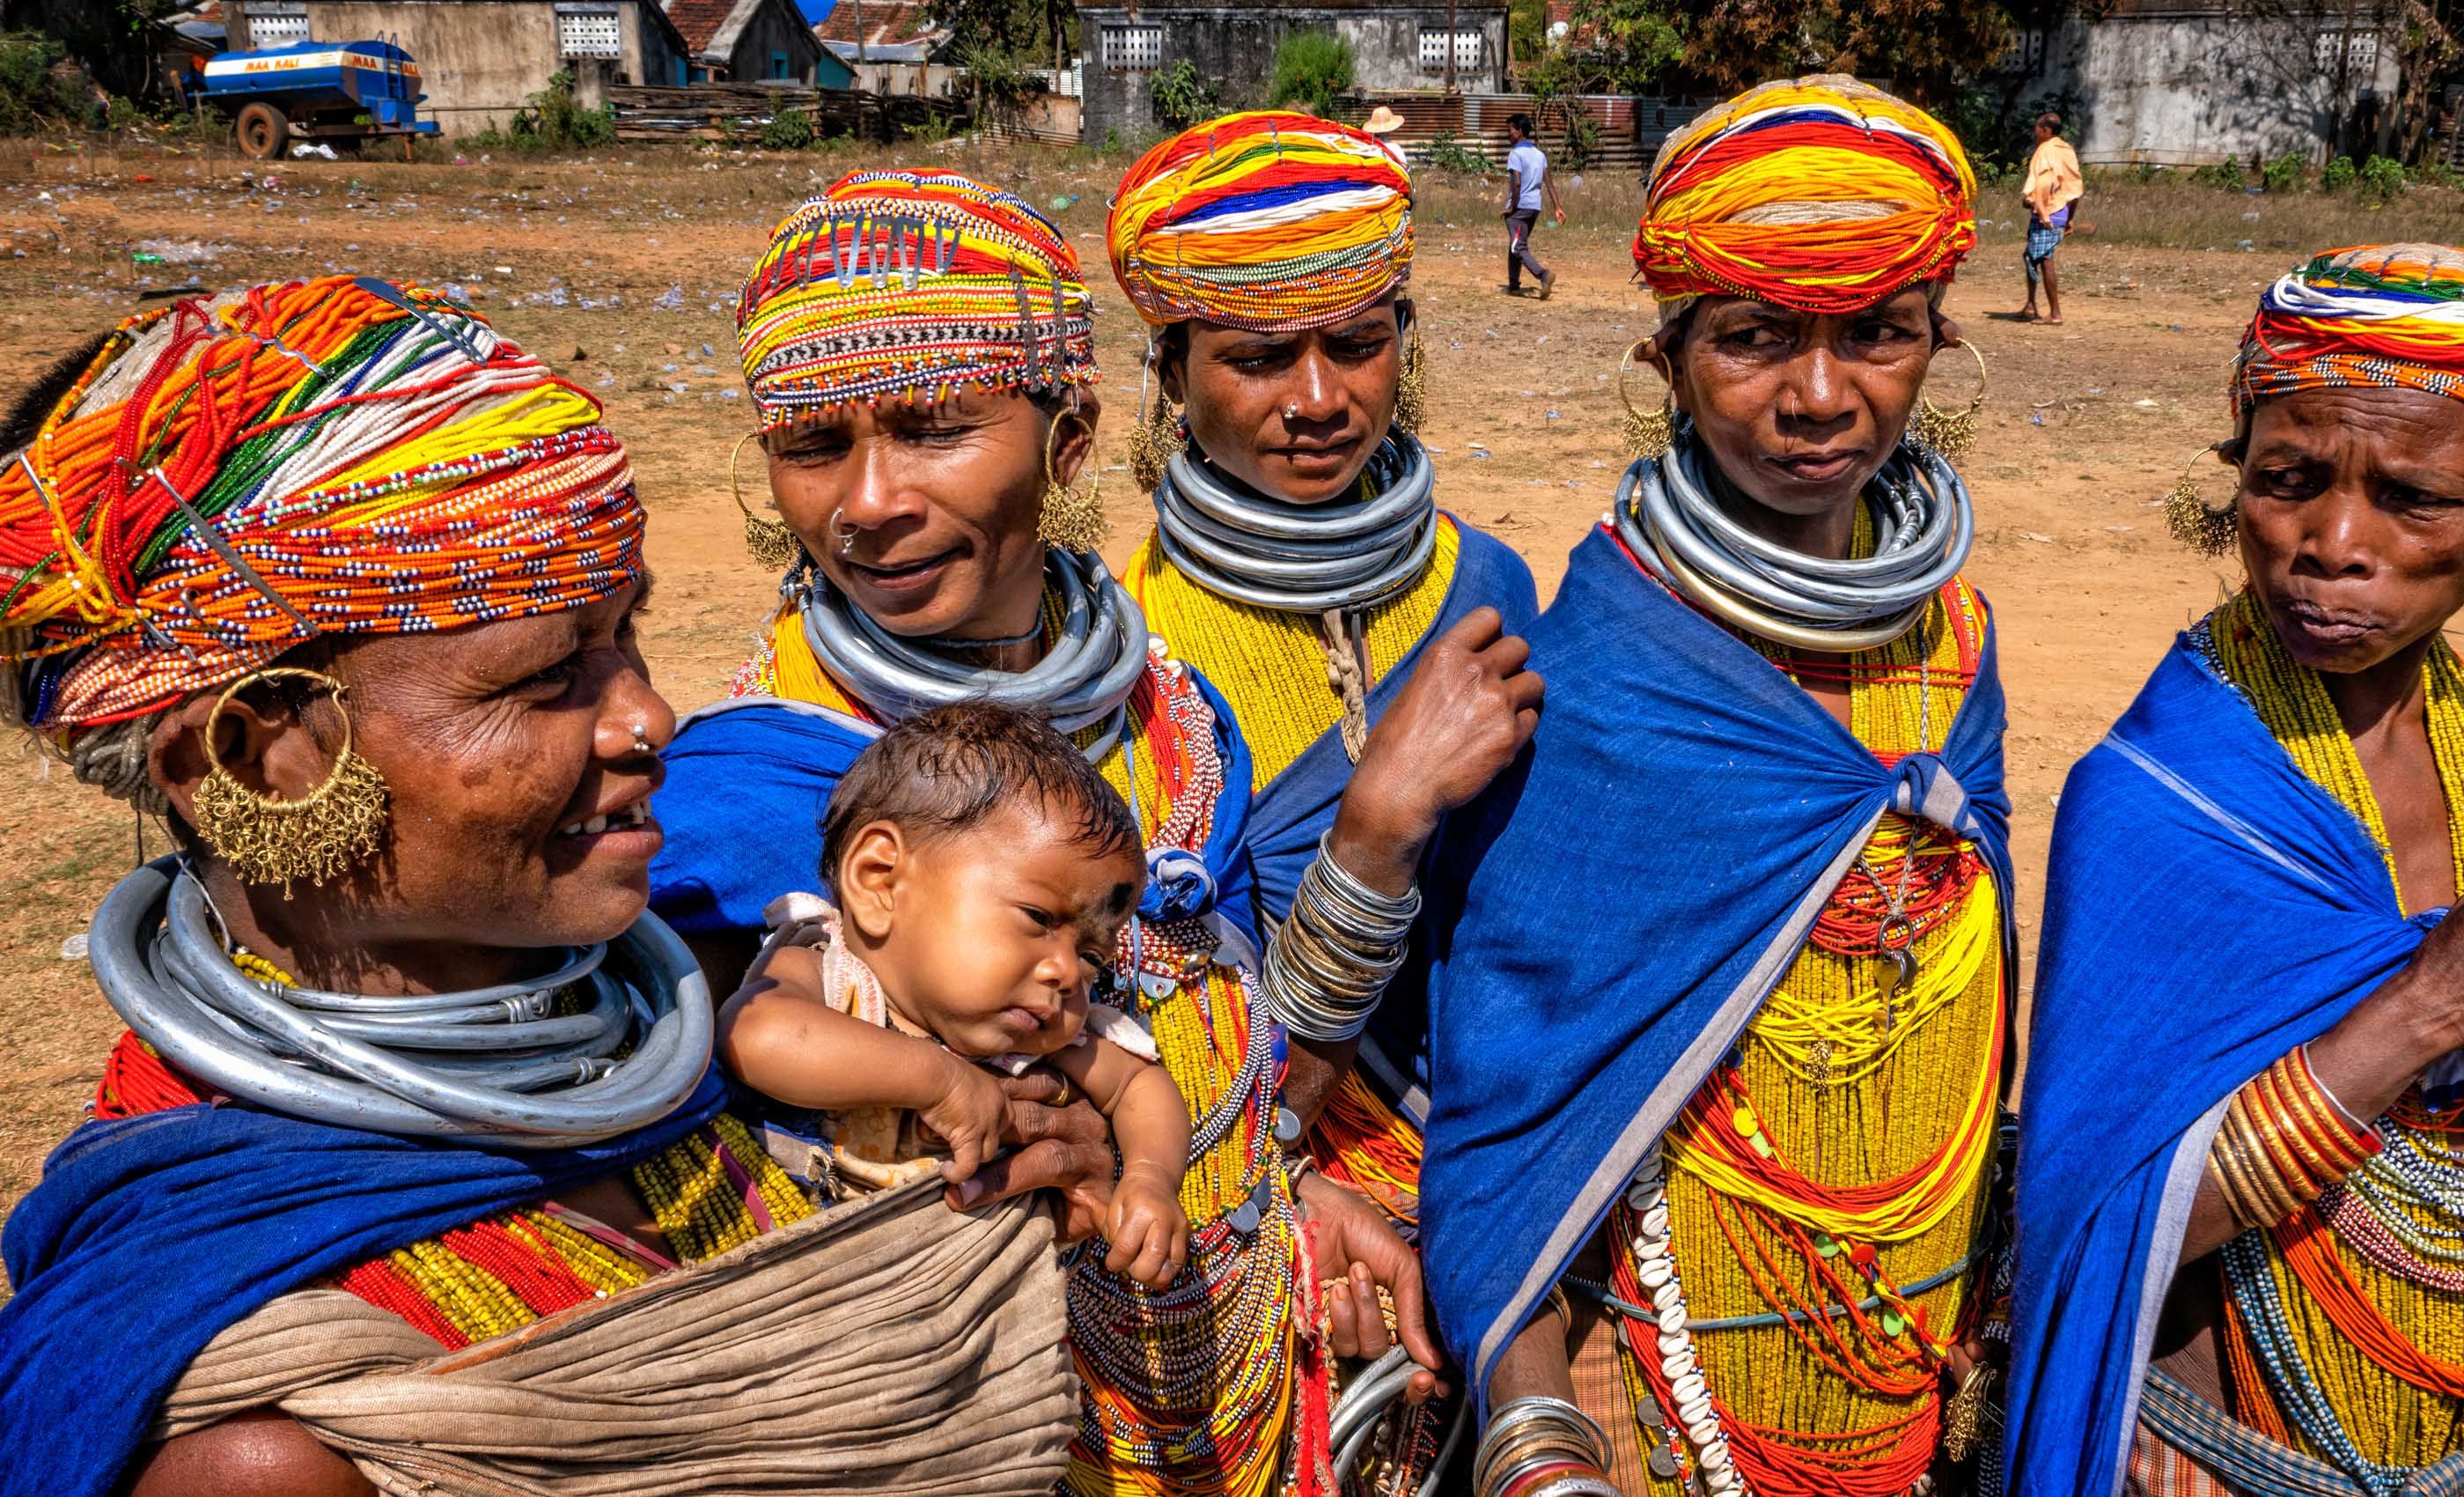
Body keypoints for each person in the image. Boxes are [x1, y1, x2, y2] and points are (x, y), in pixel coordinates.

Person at [0, 277, 1075, 1497]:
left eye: (627, 634)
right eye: (545, 676)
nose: (649, 719)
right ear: (257, 757)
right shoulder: (268, 1449)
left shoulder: (744, 1006)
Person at [651, 167, 1534, 1496]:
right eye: (815, 445)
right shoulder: (754, 793)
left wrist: (1285, 1197)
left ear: (1069, 437)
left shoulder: (1177, 716)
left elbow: (1240, 1032)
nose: (868, 500)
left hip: (1241, 1364)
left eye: (933, 427)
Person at [1416, 77, 2012, 1497]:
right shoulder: (1594, 676)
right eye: (1752, 341)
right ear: (1667, 358)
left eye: (1878, 334)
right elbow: (1514, 1088)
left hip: (1919, 1328)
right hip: (1668, 1360)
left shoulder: (1955, 639)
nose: (1819, 396)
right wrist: (1539, 1428)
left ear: (1937, 343)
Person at [2008, 243, 2464, 1497]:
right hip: (2227, 1456)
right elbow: (2100, 1231)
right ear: (2233, 482)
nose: (2331, 542)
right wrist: (2430, 1006)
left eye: (2414, 499)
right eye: (2287, 479)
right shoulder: (2160, 802)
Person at [1106, 106, 1541, 1232]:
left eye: (1356, 344)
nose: (1316, 400)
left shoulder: (1488, 579)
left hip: (1513, 1151)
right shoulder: (1133, 655)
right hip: (1276, 1185)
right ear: (1170, 371)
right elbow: (1152, 1039)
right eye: (1254, 358)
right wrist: (1378, 824)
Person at [719, 702, 1194, 1287]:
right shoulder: (828, 976)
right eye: (1039, 918)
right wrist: (938, 1079)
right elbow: (752, 1034)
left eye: (1092, 957)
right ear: (880, 881)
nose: (1067, 973)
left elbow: (1141, 1086)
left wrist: (1148, 1178)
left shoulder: (1026, 1044)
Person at [2018, 112, 2081, 324]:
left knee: (2044, 259)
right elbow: (2074, 187)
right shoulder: (2066, 151)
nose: (2035, 131)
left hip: (2047, 212)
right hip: (2061, 211)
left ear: (2045, 130)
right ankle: (2030, 304)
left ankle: (2055, 314)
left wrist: (2029, 200)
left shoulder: (2044, 151)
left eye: (2037, 127)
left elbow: (2039, 185)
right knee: (2031, 255)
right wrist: (2070, 216)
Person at [1504, 111, 1564, 299]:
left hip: (1520, 207)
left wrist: (1511, 207)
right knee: (1517, 243)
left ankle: (1543, 274)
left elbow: (1517, 183)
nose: (1509, 135)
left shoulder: (1516, 154)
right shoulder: (1540, 155)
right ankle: (1514, 284)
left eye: (1510, 130)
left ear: (1520, 131)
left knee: (1517, 247)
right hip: (1534, 207)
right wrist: (1557, 206)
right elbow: (1549, 182)